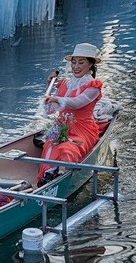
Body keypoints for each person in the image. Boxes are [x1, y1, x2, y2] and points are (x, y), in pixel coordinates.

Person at [37, 42, 104, 185]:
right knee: (50, 147)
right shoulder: (64, 84)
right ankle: (49, 176)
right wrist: (48, 88)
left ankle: (61, 177)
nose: (76, 66)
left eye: (81, 62)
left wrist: (56, 98)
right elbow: (51, 110)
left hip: (82, 130)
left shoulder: (93, 87)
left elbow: (77, 103)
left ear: (90, 64)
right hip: (61, 126)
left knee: (68, 149)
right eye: (74, 62)